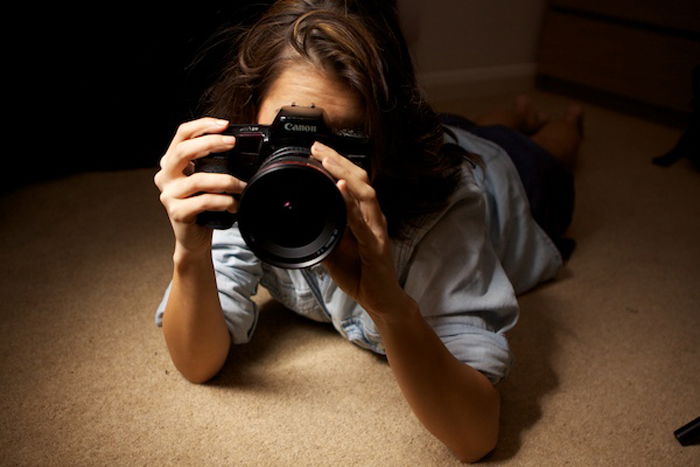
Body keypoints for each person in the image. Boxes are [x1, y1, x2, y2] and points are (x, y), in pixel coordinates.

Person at [153, 0, 583, 462]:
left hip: (509, 181)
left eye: (341, 142)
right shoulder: (249, 184)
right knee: (465, 126)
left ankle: (559, 123)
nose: (307, 166)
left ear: (384, 142)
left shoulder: (444, 209)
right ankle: (510, 115)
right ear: (249, 126)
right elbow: (197, 363)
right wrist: (190, 252)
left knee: (547, 152)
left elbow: (475, 436)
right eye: (289, 137)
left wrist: (389, 306)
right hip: (442, 134)